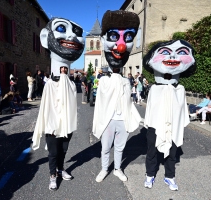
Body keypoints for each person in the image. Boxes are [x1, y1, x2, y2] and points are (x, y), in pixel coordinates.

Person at [32, 17, 85, 191]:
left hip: (66, 125)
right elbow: (45, 107)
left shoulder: (70, 84)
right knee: (53, 153)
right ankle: (52, 176)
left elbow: (72, 104)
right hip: (52, 126)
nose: (63, 70)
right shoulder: (49, 85)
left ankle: (61, 170)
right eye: (61, 69)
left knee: (63, 151)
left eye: (65, 69)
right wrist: (44, 126)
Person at [93, 10, 141, 183]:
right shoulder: (104, 81)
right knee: (105, 148)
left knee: (120, 148)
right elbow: (101, 101)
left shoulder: (126, 81)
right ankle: (104, 169)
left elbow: (129, 101)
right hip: (108, 119)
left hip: (122, 119)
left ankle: (117, 169)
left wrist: (135, 117)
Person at [143, 40, 196, 191]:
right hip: (155, 125)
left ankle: (169, 176)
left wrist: (179, 124)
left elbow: (181, 109)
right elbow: (151, 108)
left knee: (172, 153)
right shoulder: (155, 88)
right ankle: (150, 174)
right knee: (151, 151)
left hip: (174, 125)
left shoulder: (180, 89)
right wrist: (150, 124)